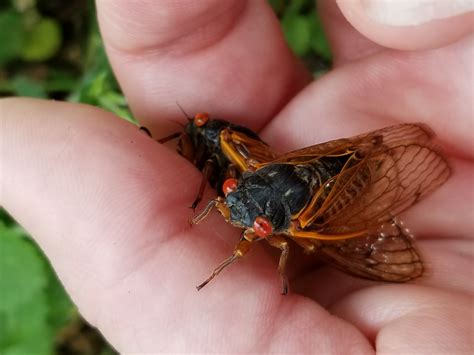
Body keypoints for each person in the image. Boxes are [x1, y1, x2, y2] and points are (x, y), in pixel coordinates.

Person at [1, 0, 472, 353]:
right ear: (238, 180)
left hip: (339, 199)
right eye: (230, 192)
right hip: (309, 169)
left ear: (269, 231)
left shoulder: (287, 231)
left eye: (258, 228)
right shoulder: (240, 183)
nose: (231, 209)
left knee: (317, 239)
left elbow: (284, 243)